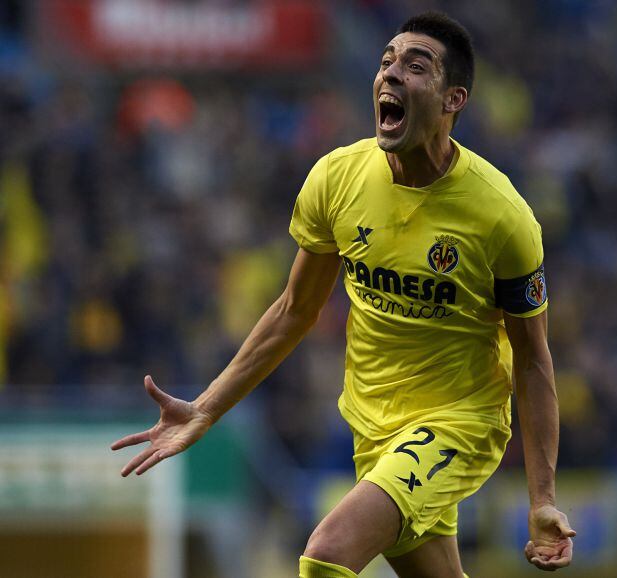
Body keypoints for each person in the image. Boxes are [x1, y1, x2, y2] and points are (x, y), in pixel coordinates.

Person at [112, 11, 575, 578]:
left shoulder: (503, 217)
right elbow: (293, 311)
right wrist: (206, 409)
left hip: (460, 421)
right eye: (385, 63)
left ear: (454, 98)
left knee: (327, 553)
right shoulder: (336, 179)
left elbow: (533, 358)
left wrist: (542, 497)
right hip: (371, 422)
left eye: (415, 66)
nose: (391, 75)